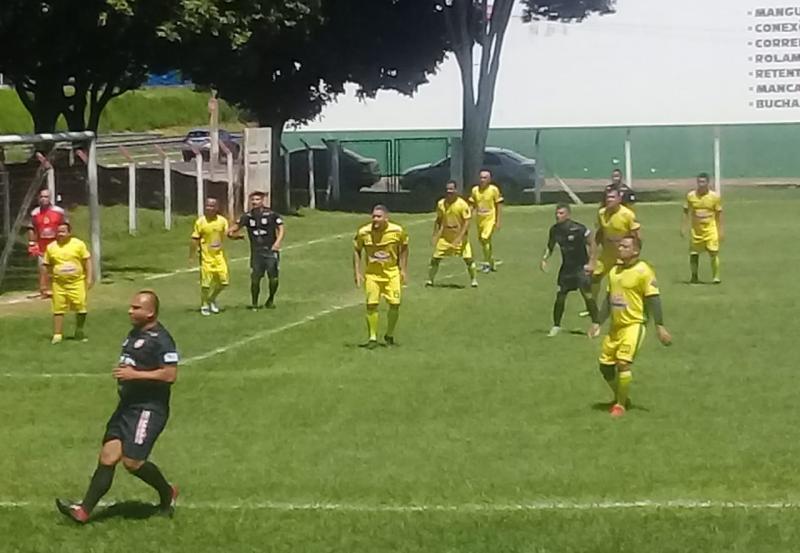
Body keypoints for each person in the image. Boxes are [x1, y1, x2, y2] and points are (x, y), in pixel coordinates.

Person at [56, 290, 179, 523]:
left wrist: (135, 374)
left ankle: (167, 492)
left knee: (132, 462)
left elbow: (170, 374)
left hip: (148, 409)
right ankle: (83, 511)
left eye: (136, 308)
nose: (130, 311)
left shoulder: (162, 339)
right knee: (108, 456)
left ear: (150, 312)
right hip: (127, 406)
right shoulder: (134, 333)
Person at [588, 236, 672, 418]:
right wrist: (597, 322)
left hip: (634, 326)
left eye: (625, 246)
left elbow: (653, 299)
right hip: (615, 327)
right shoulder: (614, 271)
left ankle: (620, 405)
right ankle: (622, 396)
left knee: (623, 363)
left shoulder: (644, 271)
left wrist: (660, 326)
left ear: (635, 251)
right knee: (605, 367)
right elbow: (608, 300)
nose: (620, 248)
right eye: (620, 245)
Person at [353, 205, 408, 349]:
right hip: (372, 274)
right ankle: (372, 338)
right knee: (371, 304)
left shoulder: (397, 231)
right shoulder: (364, 232)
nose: (375, 219)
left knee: (395, 304)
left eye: (378, 216)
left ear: (386, 218)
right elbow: (357, 250)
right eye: (373, 216)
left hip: (391, 273)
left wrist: (403, 269)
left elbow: (404, 248)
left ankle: (389, 334)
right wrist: (357, 272)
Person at [540, 204, 598, 337]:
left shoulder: (578, 228)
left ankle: (596, 323)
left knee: (587, 295)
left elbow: (592, 243)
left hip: (580, 267)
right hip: (566, 268)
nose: (557, 216)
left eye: (561, 213)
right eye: (557, 213)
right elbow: (550, 246)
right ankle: (556, 325)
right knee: (560, 296)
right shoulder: (554, 230)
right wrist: (544, 259)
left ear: (568, 215)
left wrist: (591, 263)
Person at [227, 191, 285, 309]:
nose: (254, 202)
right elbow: (232, 230)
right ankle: (254, 303)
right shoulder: (247, 216)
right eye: (253, 200)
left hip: (270, 250)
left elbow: (281, 228)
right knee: (255, 278)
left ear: (262, 201)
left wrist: (277, 242)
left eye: (257, 200)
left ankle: (270, 299)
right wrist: (235, 236)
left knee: (273, 277)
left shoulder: (271, 214)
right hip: (256, 252)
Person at [43, 222, 92, 344]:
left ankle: (79, 331)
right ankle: (57, 335)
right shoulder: (51, 247)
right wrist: (44, 284)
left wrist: (89, 278)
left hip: (77, 282)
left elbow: (87, 261)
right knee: (58, 309)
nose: (60, 234)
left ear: (69, 233)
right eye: (58, 231)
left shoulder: (78, 244)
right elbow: (46, 266)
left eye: (63, 231)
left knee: (81, 307)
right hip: (59, 283)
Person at [590, 188, 641, 305]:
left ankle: (623, 303)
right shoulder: (602, 213)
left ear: (619, 199)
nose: (609, 200)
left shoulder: (627, 214)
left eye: (612, 197)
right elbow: (598, 234)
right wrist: (592, 257)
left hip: (622, 253)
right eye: (608, 197)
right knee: (594, 277)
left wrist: (635, 252)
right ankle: (592, 306)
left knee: (619, 280)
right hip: (607, 253)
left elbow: (637, 236)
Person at [427, 181, 478, 288]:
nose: (449, 192)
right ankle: (430, 280)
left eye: (451, 189)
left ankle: (474, 280)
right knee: (435, 259)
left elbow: (466, 223)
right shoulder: (441, 204)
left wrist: (459, 238)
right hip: (445, 237)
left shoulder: (462, 204)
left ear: (456, 190)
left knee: (468, 259)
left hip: (459, 237)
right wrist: (435, 235)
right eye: (447, 189)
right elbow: (439, 220)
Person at [681, 172, 723, 284]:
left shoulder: (714, 197)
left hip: (710, 229)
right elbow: (686, 211)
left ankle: (716, 277)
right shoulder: (691, 196)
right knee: (694, 254)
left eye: (703, 182)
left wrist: (720, 230)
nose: (701, 184)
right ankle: (694, 276)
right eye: (699, 182)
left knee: (713, 252)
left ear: (708, 183)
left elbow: (719, 214)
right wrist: (684, 227)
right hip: (696, 230)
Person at [190, 198, 229, 316]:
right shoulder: (200, 222)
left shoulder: (222, 221)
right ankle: (204, 305)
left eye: (212, 206)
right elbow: (195, 239)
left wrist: (236, 236)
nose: (209, 208)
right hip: (206, 257)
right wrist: (191, 255)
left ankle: (211, 299)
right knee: (206, 284)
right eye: (207, 206)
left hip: (219, 257)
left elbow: (228, 233)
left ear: (217, 207)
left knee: (224, 282)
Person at [28, 188, 67, 298]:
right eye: (42, 197)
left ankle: (60, 288)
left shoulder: (58, 211)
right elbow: (31, 228)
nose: (44, 199)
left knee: (58, 267)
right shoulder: (35, 213)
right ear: (38, 198)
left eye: (46, 197)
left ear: (50, 198)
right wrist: (32, 244)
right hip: (42, 245)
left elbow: (65, 226)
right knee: (43, 268)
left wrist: (65, 240)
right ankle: (44, 290)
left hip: (56, 244)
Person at [469, 169, 503, 272]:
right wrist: (468, 215)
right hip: (480, 219)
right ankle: (491, 261)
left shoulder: (494, 190)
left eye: (485, 178)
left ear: (489, 179)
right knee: (483, 241)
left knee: (485, 238)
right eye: (481, 177)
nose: (482, 180)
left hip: (490, 218)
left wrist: (498, 220)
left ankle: (487, 264)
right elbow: (472, 204)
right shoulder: (475, 190)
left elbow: (498, 205)